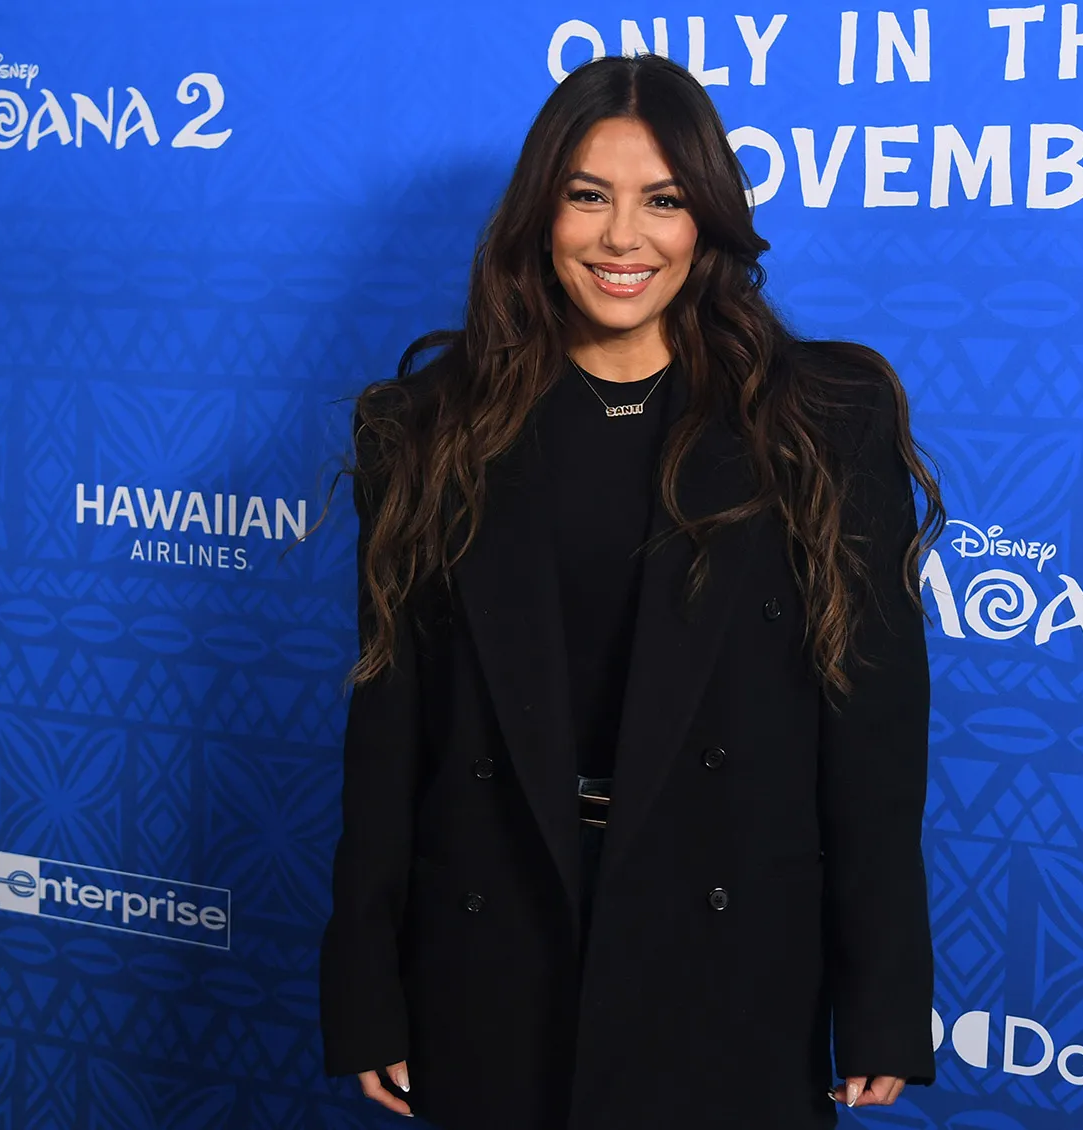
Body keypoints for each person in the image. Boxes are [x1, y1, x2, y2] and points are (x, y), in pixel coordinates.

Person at [318, 50, 944, 1130]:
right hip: (495, 932)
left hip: (730, 938)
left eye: (661, 200)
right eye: (586, 197)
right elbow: (389, 726)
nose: (622, 238)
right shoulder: (424, 428)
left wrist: (882, 994)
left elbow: (874, 734)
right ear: (538, 215)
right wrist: (366, 984)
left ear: (705, 218)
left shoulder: (817, 422)